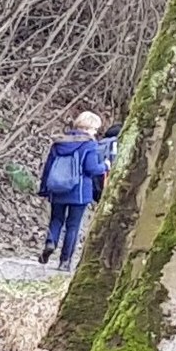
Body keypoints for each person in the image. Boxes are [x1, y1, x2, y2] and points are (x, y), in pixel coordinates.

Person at [39, 110, 114, 269]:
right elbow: (92, 169)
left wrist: (45, 187)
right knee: (73, 225)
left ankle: (50, 242)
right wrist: (105, 166)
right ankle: (65, 262)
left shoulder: (59, 142)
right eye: (95, 129)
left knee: (56, 219)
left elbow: (49, 167)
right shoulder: (89, 145)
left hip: (57, 188)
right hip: (78, 191)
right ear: (88, 128)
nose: (95, 133)